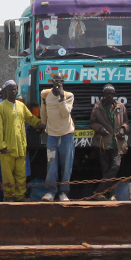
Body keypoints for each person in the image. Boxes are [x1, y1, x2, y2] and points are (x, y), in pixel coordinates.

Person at [0, 80, 42, 201]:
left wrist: (41, 125)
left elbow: (30, 119)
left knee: (21, 175)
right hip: (7, 149)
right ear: (5, 91)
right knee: (8, 176)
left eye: (15, 89)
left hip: (20, 147)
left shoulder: (21, 106)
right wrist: (1, 145)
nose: (14, 92)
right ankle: (9, 197)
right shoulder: (0, 107)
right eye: (11, 89)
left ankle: (20, 196)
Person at [39, 73, 75, 202]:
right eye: (56, 81)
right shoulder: (45, 94)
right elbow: (43, 109)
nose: (58, 83)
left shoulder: (68, 96)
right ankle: (50, 191)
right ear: (52, 81)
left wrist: (61, 98)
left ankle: (63, 192)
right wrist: (43, 123)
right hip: (52, 135)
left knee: (66, 165)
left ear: (63, 82)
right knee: (51, 164)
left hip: (66, 134)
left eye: (60, 81)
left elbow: (65, 113)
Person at [89, 84, 128, 200]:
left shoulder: (121, 106)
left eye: (111, 94)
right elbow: (93, 122)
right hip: (103, 142)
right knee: (105, 170)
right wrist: (100, 129)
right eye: (107, 93)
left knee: (115, 167)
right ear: (103, 95)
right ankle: (111, 195)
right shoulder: (98, 107)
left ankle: (98, 191)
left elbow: (126, 122)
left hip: (117, 142)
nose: (109, 96)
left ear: (114, 95)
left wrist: (123, 129)